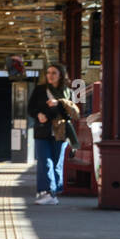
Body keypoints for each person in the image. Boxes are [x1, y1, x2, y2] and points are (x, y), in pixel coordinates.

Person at [27, 62, 79, 205]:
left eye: (54, 73)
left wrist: (59, 104)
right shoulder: (39, 90)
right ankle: (49, 192)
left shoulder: (67, 92)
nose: (50, 76)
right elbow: (30, 108)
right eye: (48, 73)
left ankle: (53, 193)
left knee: (56, 163)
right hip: (42, 131)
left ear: (60, 75)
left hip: (60, 132)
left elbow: (71, 115)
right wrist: (38, 114)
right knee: (45, 161)